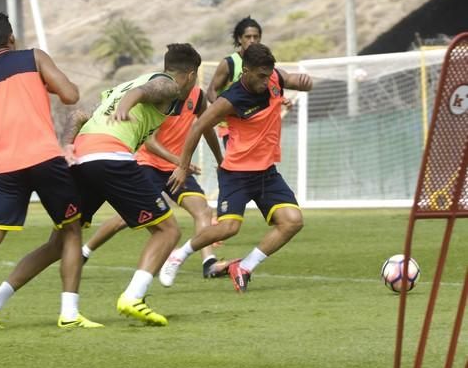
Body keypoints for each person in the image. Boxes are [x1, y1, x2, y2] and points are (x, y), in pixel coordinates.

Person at [0, 12, 101, 335]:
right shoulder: (33, 57)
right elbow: (70, 95)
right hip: (44, 159)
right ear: (11, 38)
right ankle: (69, 311)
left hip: (5, 167)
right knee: (71, 231)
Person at [61, 43, 202, 326]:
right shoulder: (169, 85)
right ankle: (133, 297)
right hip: (112, 156)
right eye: (195, 78)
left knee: (61, 239)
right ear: (190, 75)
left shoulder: (122, 85)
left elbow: (76, 115)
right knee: (168, 230)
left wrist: (65, 145)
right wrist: (127, 106)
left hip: (82, 156)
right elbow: (142, 94)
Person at [159, 43, 313, 293]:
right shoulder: (231, 99)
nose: (266, 81)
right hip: (237, 174)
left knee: (292, 221)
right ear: (246, 71)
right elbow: (198, 127)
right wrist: (182, 166)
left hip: (267, 172)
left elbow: (292, 79)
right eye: (261, 76)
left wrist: (305, 82)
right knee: (229, 228)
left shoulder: (273, 76)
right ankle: (179, 255)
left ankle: (244, 267)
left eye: (268, 75)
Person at [81, 83, 232, 279]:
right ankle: (84, 252)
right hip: (148, 164)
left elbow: (206, 128)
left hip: (176, 169)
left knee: (202, 210)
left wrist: (220, 160)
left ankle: (208, 262)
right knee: (123, 218)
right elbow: (150, 143)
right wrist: (180, 162)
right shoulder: (161, 94)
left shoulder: (198, 97)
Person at [206, 16, 263, 147]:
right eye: (248, 37)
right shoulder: (229, 63)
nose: (252, 41)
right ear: (239, 39)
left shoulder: (263, 63)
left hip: (256, 126)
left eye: (256, 37)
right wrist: (226, 110)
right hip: (232, 128)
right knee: (239, 166)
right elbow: (210, 92)